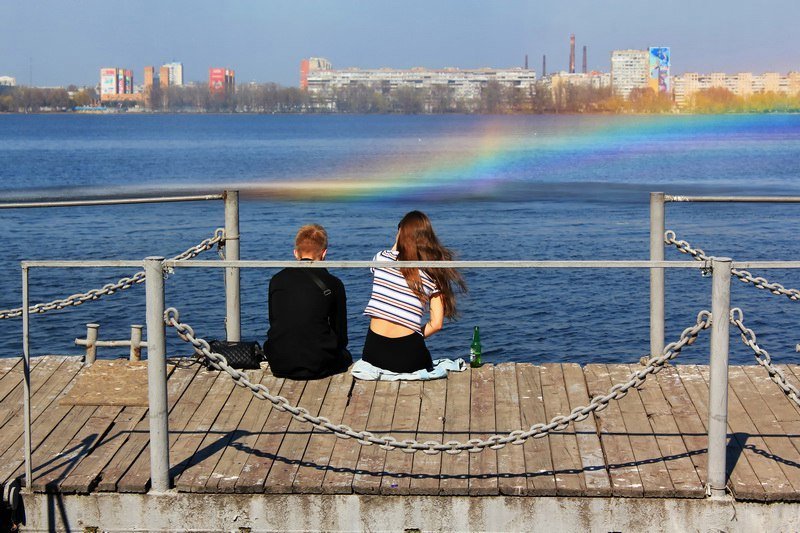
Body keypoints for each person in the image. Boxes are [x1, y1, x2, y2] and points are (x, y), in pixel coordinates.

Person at [362, 211, 467, 373]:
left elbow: (392, 254)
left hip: (373, 353)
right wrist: (415, 337)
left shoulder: (381, 258)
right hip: (408, 356)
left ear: (400, 234)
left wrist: (399, 239)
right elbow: (436, 324)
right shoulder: (433, 274)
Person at [264, 224, 351, 379]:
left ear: (296, 253)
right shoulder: (334, 284)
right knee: (346, 357)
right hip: (319, 365)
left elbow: (274, 321)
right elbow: (340, 333)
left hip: (279, 363)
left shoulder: (276, 280)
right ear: (324, 253)